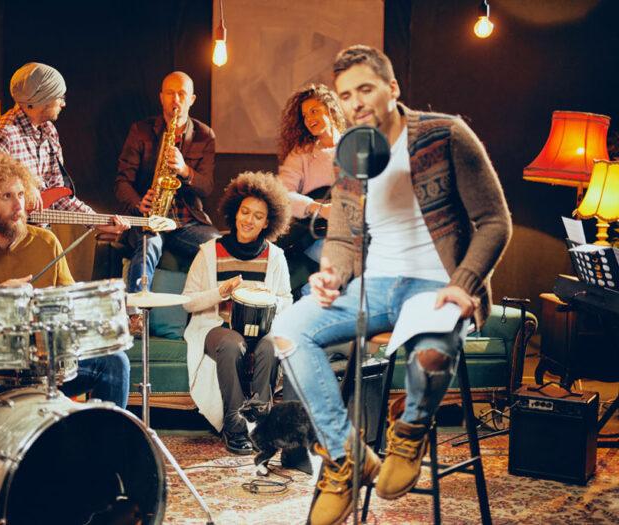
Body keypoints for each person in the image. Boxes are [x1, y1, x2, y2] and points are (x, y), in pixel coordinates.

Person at [270, 45, 512, 525]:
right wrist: (332, 273)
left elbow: (495, 221)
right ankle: (346, 457)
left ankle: (411, 430)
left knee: (432, 351)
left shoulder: (446, 134)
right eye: (346, 95)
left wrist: (464, 283)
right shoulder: (353, 150)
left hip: (439, 285)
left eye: (366, 89)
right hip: (376, 285)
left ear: (393, 88)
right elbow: (343, 235)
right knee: (289, 330)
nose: (356, 102)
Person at [0, 151, 130, 433]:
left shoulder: (46, 241)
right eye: (6, 196)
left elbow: (69, 302)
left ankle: (106, 448)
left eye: (21, 194)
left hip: (45, 368)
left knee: (115, 361)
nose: (19, 205)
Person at [0, 62, 128, 236]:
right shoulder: (5, 133)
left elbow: (59, 194)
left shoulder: (49, 131)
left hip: (37, 236)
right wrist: (22, 190)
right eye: (60, 97)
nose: (63, 104)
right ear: (42, 100)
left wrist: (97, 221)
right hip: (7, 239)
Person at [182, 172, 292, 455]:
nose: (249, 220)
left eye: (258, 216)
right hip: (217, 329)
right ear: (235, 212)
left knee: (271, 347)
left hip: (262, 330)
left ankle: (261, 426)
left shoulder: (275, 256)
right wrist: (220, 292)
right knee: (233, 343)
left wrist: (267, 300)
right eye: (245, 212)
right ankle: (235, 427)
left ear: (268, 222)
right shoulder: (209, 252)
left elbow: (286, 300)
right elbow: (188, 302)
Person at [115, 71, 220, 333]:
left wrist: (184, 170)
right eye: (170, 93)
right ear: (161, 97)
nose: (176, 100)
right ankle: (135, 317)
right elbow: (122, 182)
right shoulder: (141, 131)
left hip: (186, 222)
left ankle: (213, 316)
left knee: (217, 247)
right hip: (150, 217)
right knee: (147, 247)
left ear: (192, 99)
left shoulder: (205, 135)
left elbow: (207, 186)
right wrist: (139, 203)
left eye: (182, 94)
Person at [276, 83, 346, 264]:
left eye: (314, 111)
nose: (309, 119)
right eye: (305, 115)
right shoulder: (301, 153)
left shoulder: (354, 145)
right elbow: (282, 195)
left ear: (330, 110)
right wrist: (318, 208)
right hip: (316, 235)